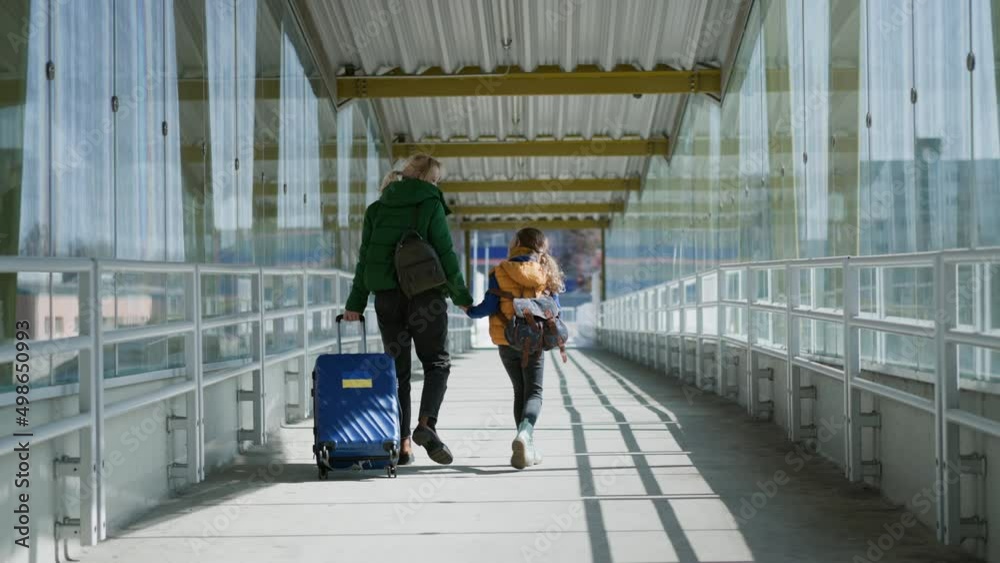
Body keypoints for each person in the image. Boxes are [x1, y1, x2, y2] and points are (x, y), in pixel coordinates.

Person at [343, 153, 473, 466]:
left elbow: (365, 260)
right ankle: (425, 425)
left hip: (388, 299)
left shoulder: (376, 209)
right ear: (429, 180)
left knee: (397, 373)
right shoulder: (430, 204)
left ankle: (403, 445)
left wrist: (355, 304)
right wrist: (462, 296)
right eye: (436, 181)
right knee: (437, 363)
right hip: (425, 297)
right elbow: (445, 253)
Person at [466, 227, 566, 469]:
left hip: (507, 340)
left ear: (518, 242)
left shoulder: (500, 271)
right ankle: (525, 436)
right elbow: (555, 310)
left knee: (519, 390)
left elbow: (488, 307)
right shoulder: (546, 271)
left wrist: (469, 310)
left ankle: (526, 444)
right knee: (534, 392)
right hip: (534, 341)